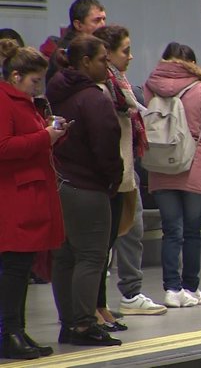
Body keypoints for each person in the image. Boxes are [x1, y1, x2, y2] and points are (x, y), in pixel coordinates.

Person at [47, 35, 123, 346]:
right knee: (92, 256)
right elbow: (105, 145)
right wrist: (113, 179)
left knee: (64, 256)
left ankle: (68, 322)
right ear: (86, 62)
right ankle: (82, 324)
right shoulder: (94, 99)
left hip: (60, 182)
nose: (108, 65)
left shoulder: (55, 92)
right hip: (88, 187)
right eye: (103, 59)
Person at [92, 26, 167, 316]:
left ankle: (126, 294)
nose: (131, 56)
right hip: (108, 173)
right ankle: (93, 307)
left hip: (125, 168)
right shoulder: (99, 90)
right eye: (125, 50)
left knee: (128, 230)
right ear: (106, 54)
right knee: (101, 243)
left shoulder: (120, 83)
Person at [144, 42, 201, 308]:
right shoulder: (200, 88)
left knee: (171, 231)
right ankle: (189, 288)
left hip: (160, 164)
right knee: (191, 231)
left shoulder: (150, 86)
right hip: (193, 164)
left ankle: (170, 289)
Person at [0, 40, 64, 359]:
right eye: (34, 80)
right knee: (13, 269)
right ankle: (8, 332)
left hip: (29, 194)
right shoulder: (4, 101)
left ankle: (17, 329)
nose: (39, 87)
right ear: (15, 75)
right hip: (13, 197)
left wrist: (50, 132)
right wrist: (44, 138)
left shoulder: (25, 102)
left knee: (21, 269)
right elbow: (4, 147)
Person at [47, 0, 106, 82]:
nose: (103, 25)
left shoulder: (89, 46)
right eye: (97, 20)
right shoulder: (68, 52)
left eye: (104, 19)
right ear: (78, 25)